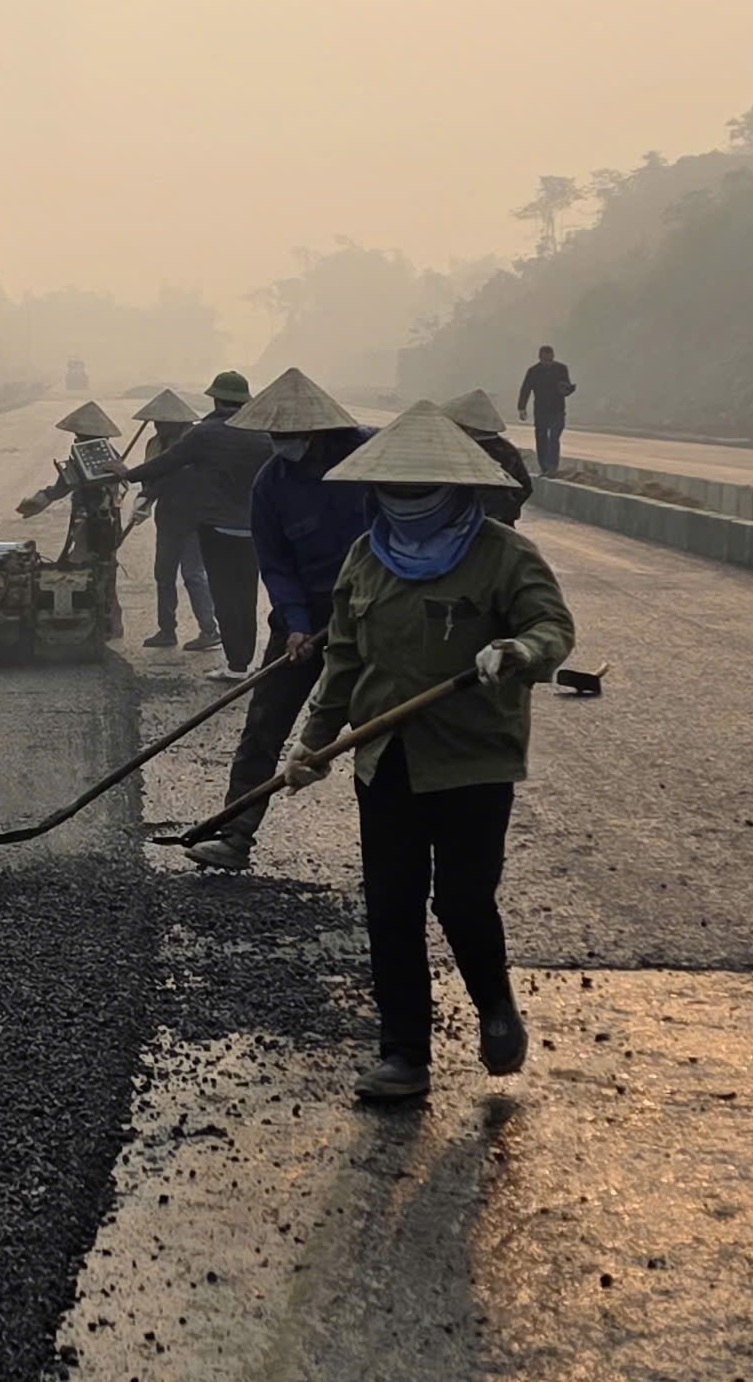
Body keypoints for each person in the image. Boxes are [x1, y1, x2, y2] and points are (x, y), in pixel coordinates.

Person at [282, 401, 575, 1101]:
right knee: (390, 905)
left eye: (419, 493)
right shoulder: (365, 557)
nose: (404, 505)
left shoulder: (504, 555)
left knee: (464, 902)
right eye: (393, 492)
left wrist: (519, 649)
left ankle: (495, 1008)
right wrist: (314, 743)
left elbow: (552, 629)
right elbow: (345, 662)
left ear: (457, 490)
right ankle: (404, 1054)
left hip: (474, 760)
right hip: (383, 759)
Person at [183, 367, 374, 872]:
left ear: (316, 431)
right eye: (272, 435)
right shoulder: (271, 482)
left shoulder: (371, 459)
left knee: (378, 737)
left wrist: (363, 610)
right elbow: (276, 564)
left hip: (376, 616)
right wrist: (292, 623)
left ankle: (393, 854)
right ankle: (234, 834)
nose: (278, 443)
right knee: (264, 726)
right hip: (304, 615)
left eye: (287, 436)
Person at [124, 371, 273, 675]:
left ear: (216, 399)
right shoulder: (262, 433)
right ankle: (244, 660)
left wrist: (126, 474)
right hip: (253, 528)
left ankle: (236, 663)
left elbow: (166, 464)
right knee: (246, 595)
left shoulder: (205, 434)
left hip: (216, 526)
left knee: (223, 594)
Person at [127, 389, 220, 653]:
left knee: (193, 573)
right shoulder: (153, 444)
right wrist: (145, 497)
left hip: (194, 515)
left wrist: (148, 491)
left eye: (162, 421)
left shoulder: (194, 441)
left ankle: (209, 630)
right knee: (163, 574)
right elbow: (151, 474)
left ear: (178, 422)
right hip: (167, 515)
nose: (157, 426)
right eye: (155, 421)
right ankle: (167, 629)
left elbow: (174, 474)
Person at [441, 388, 534, 523]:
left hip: (467, 522)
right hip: (500, 520)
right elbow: (525, 486)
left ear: (469, 426)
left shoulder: (463, 450)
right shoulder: (507, 450)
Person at [516, 346, 576, 476]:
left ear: (553, 357)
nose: (547, 363)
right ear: (540, 358)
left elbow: (565, 387)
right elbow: (525, 389)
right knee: (541, 439)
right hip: (541, 410)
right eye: (545, 360)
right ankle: (544, 467)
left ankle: (552, 467)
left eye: (549, 360)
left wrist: (568, 389)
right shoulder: (533, 371)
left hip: (558, 409)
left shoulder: (561, 369)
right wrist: (522, 408)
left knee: (554, 438)